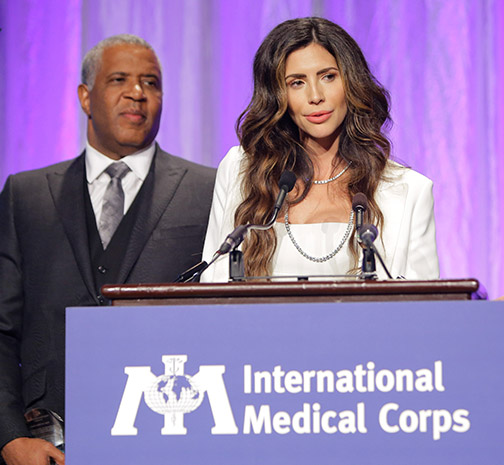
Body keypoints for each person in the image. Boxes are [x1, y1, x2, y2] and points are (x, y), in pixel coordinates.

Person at [0, 34, 215, 465]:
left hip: (167, 435)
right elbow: (3, 330)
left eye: (151, 83)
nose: (138, 94)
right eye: (119, 79)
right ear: (85, 96)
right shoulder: (26, 195)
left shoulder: (207, 191)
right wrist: (10, 437)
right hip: (46, 443)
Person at [201, 17, 439, 282]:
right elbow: (212, 285)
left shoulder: (409, 191)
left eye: (328, 77)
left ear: (351, 83)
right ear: (278, 95)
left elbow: (423, 309)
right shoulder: (240, 171)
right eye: (297, 82)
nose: (315, 96)